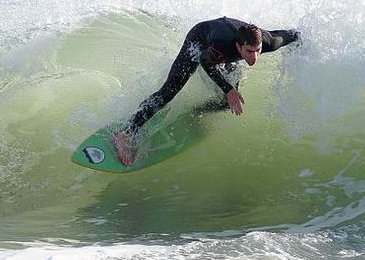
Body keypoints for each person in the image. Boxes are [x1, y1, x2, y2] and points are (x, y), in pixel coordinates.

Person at [113, 16, 300, 166]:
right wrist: (228, 89)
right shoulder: (222, 45)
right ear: (239, 47)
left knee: (228, 103)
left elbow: (287, 35)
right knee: (169, 91)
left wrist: (301, 37)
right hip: (199, 41)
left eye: (258, 50)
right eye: (249, 52)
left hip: (224, 53)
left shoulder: (268, 42)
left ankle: (197, 111)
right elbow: (205, 61)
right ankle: (125, 133)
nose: (255, 57)